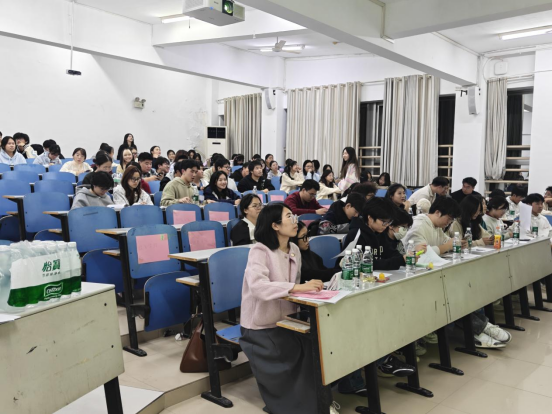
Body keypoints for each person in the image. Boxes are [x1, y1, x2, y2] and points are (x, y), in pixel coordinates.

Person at [239, 202, 339, 414]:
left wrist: (314, 290)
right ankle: (303, 408)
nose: (295, 221)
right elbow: (258, 286)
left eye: (294, 216)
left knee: (313, 352)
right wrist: (297, 287)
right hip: (261, 325)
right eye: (289, 217)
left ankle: (320, 404)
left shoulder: (294, 249)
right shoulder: (259, 250)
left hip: (287, 320)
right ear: (275, 225)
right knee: (285, 366)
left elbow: (296, 285)